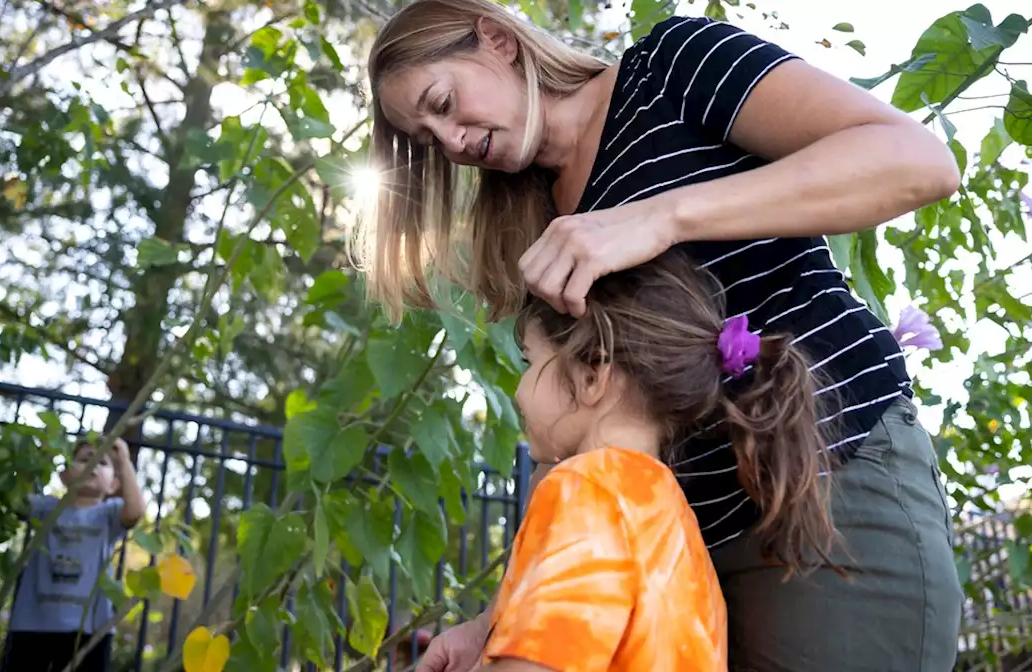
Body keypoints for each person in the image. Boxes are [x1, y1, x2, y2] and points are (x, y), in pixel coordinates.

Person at [361, 1, 963, 670]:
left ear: (498, 40)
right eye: (425, 138)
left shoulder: (670, 68)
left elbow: (916, 162)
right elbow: (584, 429)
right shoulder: (530, 216)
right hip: (677, 555)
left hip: (830, 486)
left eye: (442, 101)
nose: (447, 141)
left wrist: (663, 217)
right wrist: (502, 612)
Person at [477, 251, 836, 672]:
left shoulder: (589, 490)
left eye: (529, 360)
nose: (518, 389)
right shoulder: (676, 523)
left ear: (592, 377)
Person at [3, 438, 145, 672]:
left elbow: (135, 511)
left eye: (103, 463)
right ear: (64, 476)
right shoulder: (46, 508)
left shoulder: (108, 514)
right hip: (32, 624)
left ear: (114, 484)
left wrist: (124, 460)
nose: (93, 466)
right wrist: (41, 459)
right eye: (84, 460)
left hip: (89, 629)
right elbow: (15, 500)